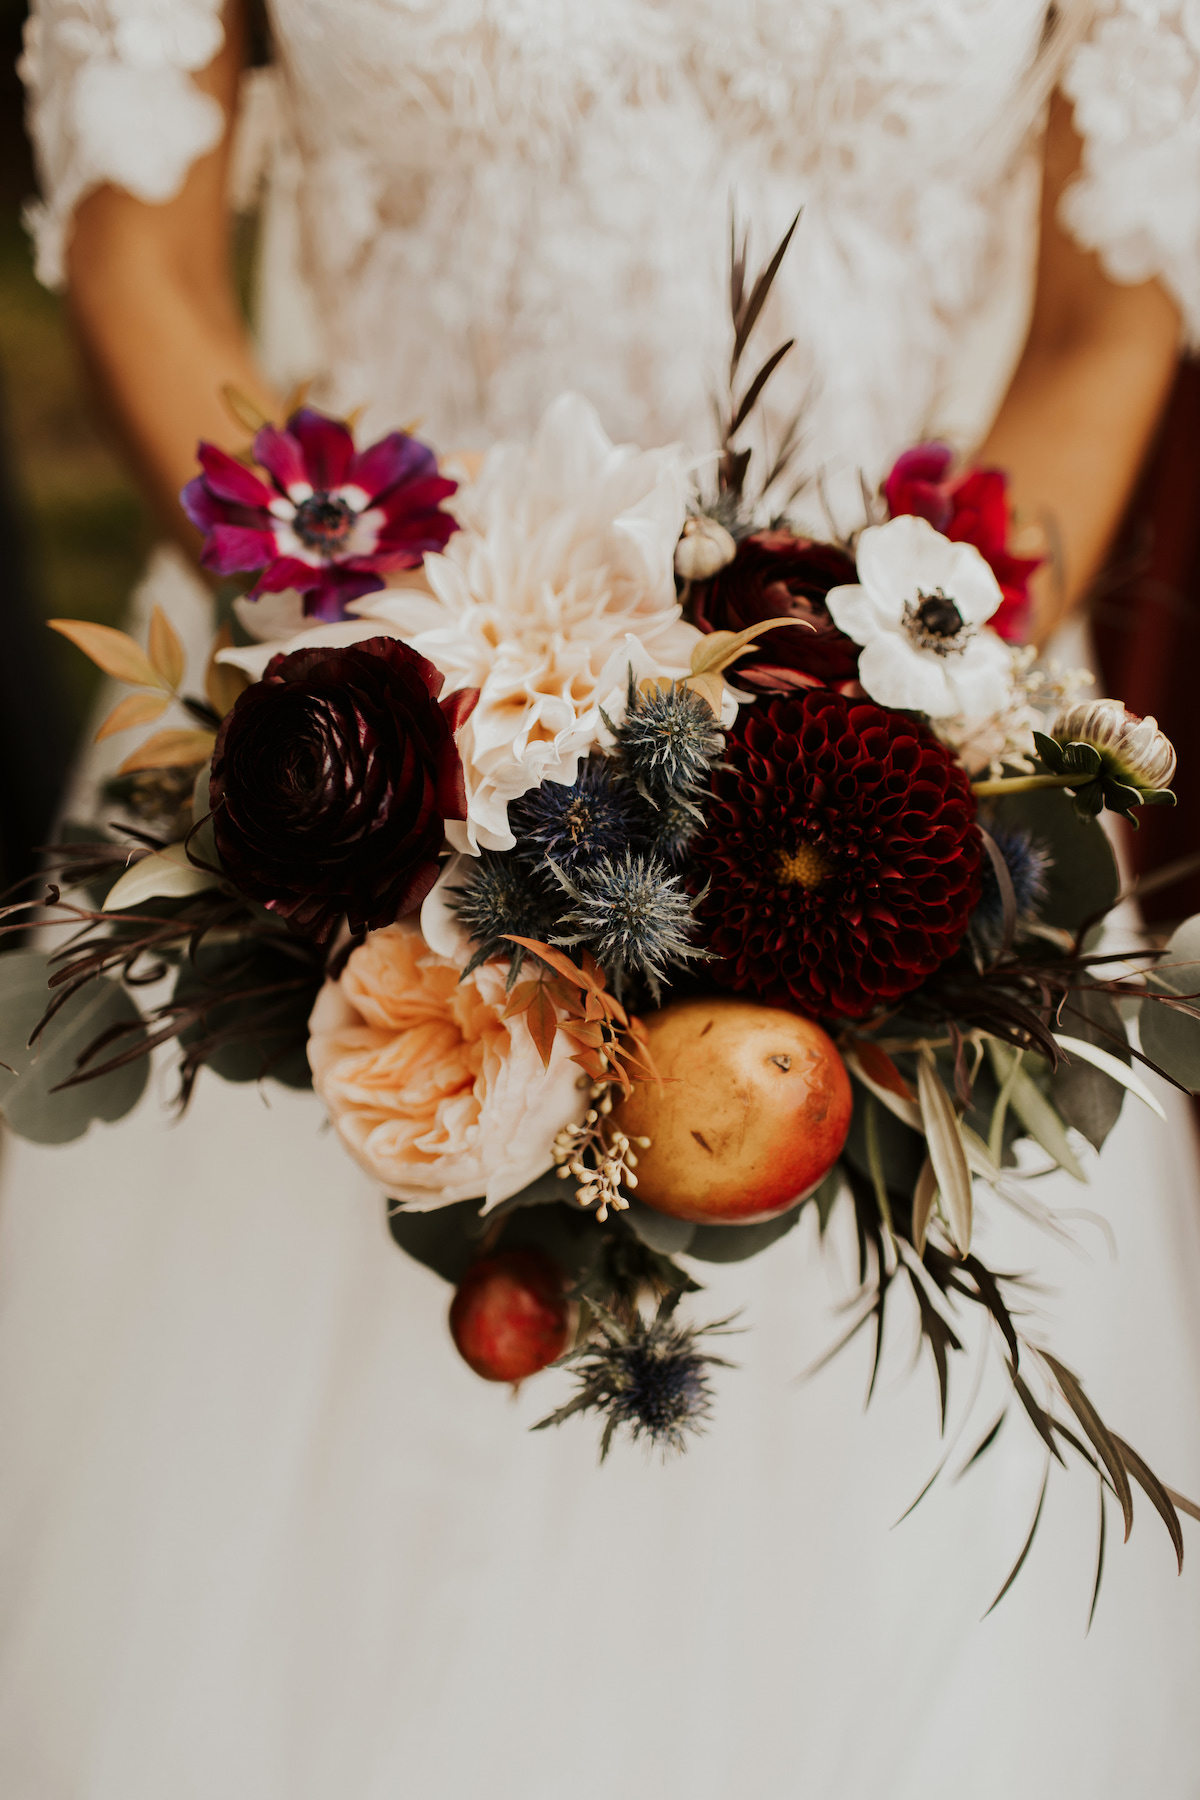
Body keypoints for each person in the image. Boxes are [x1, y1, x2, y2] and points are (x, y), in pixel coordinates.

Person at [2, 3, 1199, 1795]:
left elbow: (1108, 320)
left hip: (892, 767)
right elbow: (143, 253)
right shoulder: (368, 710)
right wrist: (404, 706)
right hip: (349, 737)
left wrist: (888, 722)